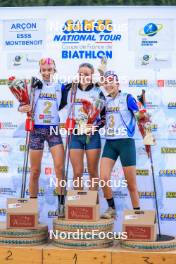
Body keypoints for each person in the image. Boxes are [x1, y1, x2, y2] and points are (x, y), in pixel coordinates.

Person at [18, 57, 65, 217]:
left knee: (59, 168)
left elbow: (70, 104)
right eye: (44, 70)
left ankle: (61, 204)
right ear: (40, 70)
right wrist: (22, 108)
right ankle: (32, 207)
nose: (46, 72)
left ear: (54, 70)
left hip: (53, 130)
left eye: (49, 69)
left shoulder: (60, 87)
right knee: (35, 171)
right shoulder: (34, 86)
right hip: (36, 129)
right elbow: (22, 103)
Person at [100, 70, 142, 219]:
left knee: (131, 184)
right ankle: (111, 208)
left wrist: (144, 117)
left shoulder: (127, 98)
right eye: (105, 82)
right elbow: (102, 121)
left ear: (117, 83)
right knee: (103, 177)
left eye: (111, 81)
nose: (108, 84)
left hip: (125, 142)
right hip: (110, 143)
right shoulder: (105, 101)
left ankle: (137, 213)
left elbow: (141, 116)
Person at [61, 62, 106, 191]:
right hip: (75, 135)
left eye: (86, 74)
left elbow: (104, 117)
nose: (83, 76)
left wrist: (94, 127)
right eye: (80, 74)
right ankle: (79, 203)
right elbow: (58, 103)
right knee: (77, 172)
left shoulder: (98, 91)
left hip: (92, 136)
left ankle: (92, 203)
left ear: (92, 76)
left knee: (92, 172)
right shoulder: (70, 89)